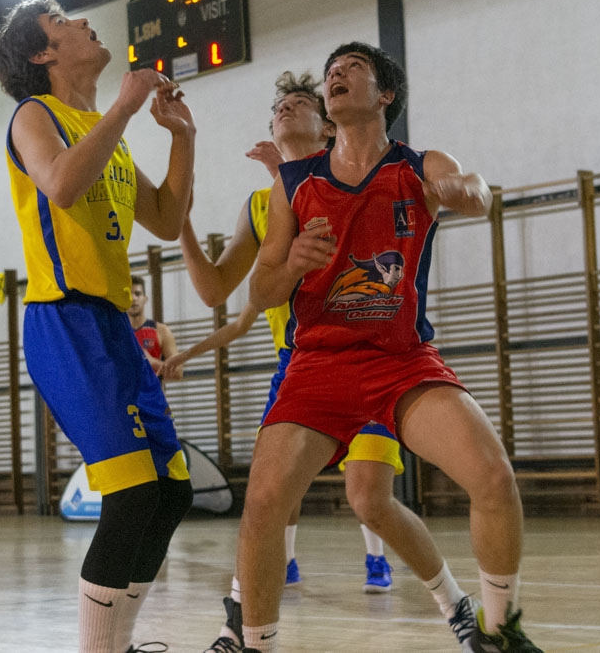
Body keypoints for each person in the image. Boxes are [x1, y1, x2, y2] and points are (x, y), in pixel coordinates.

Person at [241, 43, 543, 653]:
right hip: (319, 363)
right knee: (265, 501)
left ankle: (499, 631)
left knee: (492, 476)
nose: (336, 74)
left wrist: (466, 191)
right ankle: (255, 643)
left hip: (401, 362)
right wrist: (292, 264)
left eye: (352, 68)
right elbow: (261, 289)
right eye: (332, 70)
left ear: (385, 95)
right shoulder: (294, 183)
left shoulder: (417, 165)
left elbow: (474, 187)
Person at [171, 71, 480, 653]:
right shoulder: (266, 203)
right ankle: (240, 625)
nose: (285, 109)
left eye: (299, 102)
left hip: (382, 360)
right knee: (266, 500)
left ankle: (455, 604)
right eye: (278, 106)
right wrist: (180, 220)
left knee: (369, 498)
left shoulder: (372, 174)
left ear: (329, 125)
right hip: (303, 367)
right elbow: (216, 291)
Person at [0, 0, 195, 653]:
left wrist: (183, 138)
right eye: (63, 23)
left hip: (112, 326)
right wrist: (125, 109)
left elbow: (166, 219)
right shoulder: (35, 114)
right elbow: (59, 184)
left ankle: (117, 643)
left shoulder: (104, 130)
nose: (83, 22)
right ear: (41, 53)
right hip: (65, 320)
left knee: (171, 492)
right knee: (132, 494)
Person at [128, 274, 182, 380]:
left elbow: (178, 372)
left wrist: (151, 362)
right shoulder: (116, 333)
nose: (133, 298)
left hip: (154, 390)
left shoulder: (162, 331)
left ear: (145, 299)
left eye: (137, 294)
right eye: (128, 295)